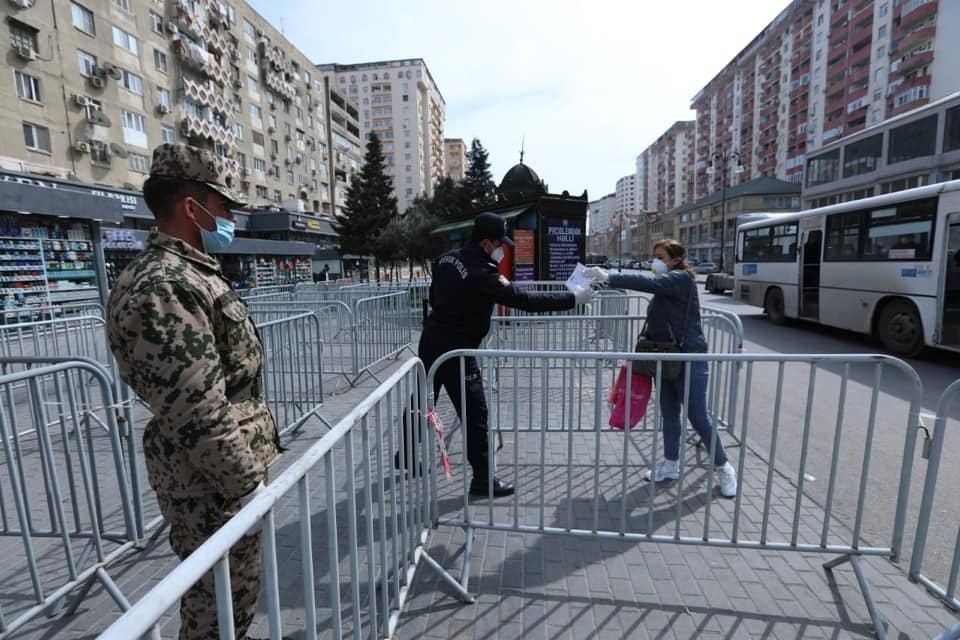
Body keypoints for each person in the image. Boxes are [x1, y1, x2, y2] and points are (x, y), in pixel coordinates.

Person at [106, 143, 282, 640]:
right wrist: (248, 487)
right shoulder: (163, 286)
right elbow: (197, 410)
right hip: (210, 484)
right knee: (215, 611)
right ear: (191, 207)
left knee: (233, 605)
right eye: (224, 208)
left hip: (217, 479)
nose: (231, 220)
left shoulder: (188, 274)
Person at [403, 212, 596, 498]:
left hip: (431, 339)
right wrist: (573, 299)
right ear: (485, 243)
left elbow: (436, 295)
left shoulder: (445, 260)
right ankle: (483, 480)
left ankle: (404, 455)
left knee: (421, 399)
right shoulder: (484, 273)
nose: (502, 249)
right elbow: (525, 301)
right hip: (457, 349)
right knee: (475, 413)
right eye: (499, 244)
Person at [584, 239, 738, 498]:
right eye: (654, 256)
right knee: (668, 413)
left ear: (677, 260)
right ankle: (670, 465)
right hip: (666, 358)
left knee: (698, 417)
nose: (655, 262)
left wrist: (610, 276)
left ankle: (724, 466)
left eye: (661, 257)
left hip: (689, 357)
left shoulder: (681, 279)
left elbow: (650, 283)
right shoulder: (669, 282)